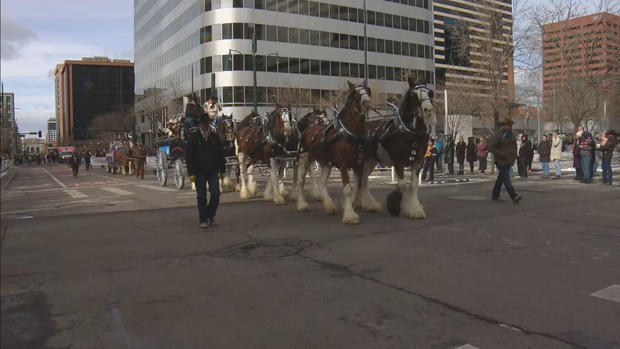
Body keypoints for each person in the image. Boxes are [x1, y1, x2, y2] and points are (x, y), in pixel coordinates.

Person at [186, 114, 227, 229]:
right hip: (199, 171)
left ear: (208, 124)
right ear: (199, 125)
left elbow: (220, 155)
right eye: (202, 124)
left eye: (206, 124)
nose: (204, 126)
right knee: (201, 196)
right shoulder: (193, 138)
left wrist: (222, 170)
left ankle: (210, 214)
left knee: (216, 194)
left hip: (213, 170)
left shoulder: (214, 137)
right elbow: (189, 157)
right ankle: (203, 219)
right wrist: (191, 173)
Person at [488, 118, 521, 204]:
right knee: (506, 179)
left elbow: (514, 147)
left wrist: (514, 157)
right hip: (501, 160)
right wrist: (501, 154)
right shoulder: (500, 134)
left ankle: (495, 195)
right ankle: (514, 196)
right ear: (504, 125)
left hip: (509, 160)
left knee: (500, 179)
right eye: (508, 125)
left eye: (510, 125)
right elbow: (491, 146)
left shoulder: (511, 134)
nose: (510, 126)